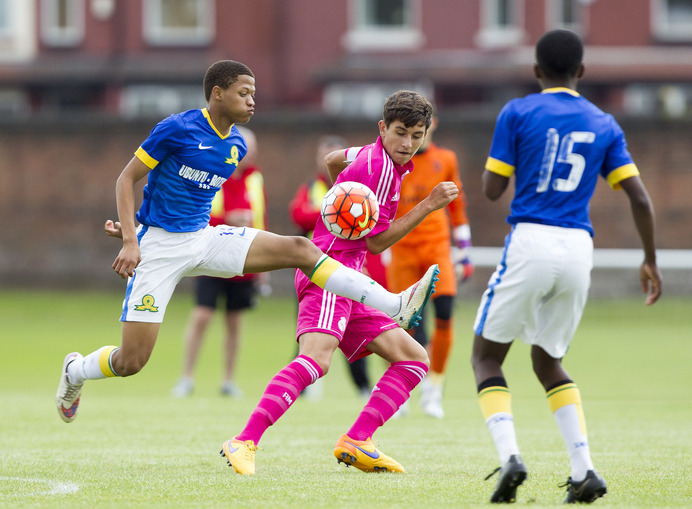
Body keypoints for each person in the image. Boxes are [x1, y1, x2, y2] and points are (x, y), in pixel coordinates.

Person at [54, 60, 440, 428]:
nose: (253, 101)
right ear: (217, 94)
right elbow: (126, 179)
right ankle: (75, 370)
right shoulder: (177, 128)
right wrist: (130, 237)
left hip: (203, 239)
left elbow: (187, 201)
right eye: (244, 93)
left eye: (254, 93)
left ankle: (393, 304)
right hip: (158, 249)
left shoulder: (235, 146)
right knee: (131, 361)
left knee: (301, 249)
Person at [220, 90, 459, 475]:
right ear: (383, 128)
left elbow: (333, 160)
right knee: (315, 360)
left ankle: (357, 440)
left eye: (417, 135)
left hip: (349, 276)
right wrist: (428, 205)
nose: (408, 144)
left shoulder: (366, 153)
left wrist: (341, 201)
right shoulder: (380, 171)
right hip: (328, 274)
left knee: (414, 360)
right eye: (400, 133)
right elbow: (378, 241)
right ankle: (244, 440)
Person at [470, 30, 662, 504]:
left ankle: (511, 456)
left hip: (531, 238)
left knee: (486, 356)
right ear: (582, 72)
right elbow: (639, 197)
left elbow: (493, 190)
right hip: (579, 247)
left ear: (536, 71)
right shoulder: (604, 122)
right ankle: (584, 470)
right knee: (548, 359)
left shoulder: (517, 111)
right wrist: (650, 260)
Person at [387, 114, 473, 419]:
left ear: (432, 124)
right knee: (407, 324)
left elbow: (457, 205)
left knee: (446, 314)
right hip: (402, 251)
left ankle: (434, 387)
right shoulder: (392, 160)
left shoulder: (446, 159)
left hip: (437, 248)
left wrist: (464, 251)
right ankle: (401, 388)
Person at [170, 126, 267, 398]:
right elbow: (195, 216)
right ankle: (186, 378)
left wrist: (264, 265)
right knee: (202, 315)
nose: (253, 152)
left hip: (245, 259)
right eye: (248, 146)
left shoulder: (255, 177)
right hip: (212, 255)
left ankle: (228, 380)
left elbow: (261, 219)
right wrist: (227, 221)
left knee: (235, 321)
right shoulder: (213, 173)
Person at [289, 135, 371, 398]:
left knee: (355, 330)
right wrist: (335, 210)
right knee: (307, 329)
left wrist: (325, 211)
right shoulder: (313, 186)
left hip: (347, 267)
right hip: (314, 269)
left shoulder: (358, 189)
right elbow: (298, 214)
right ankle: (305, 387)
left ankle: (362, 386)